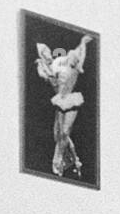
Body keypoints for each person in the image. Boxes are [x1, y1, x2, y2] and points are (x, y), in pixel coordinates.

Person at [35, 34, 92, 177]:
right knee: (58, 134)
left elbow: (80, 51)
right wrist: (42, 66)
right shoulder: (55, 65)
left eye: (73, 57)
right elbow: (49, 78)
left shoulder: (76, 67)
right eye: (44, 53)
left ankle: (58, 161)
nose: (71, 57)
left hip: (71, 101)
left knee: (65, 132)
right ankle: (74, 159)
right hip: (60, 101)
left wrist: (83, 42)